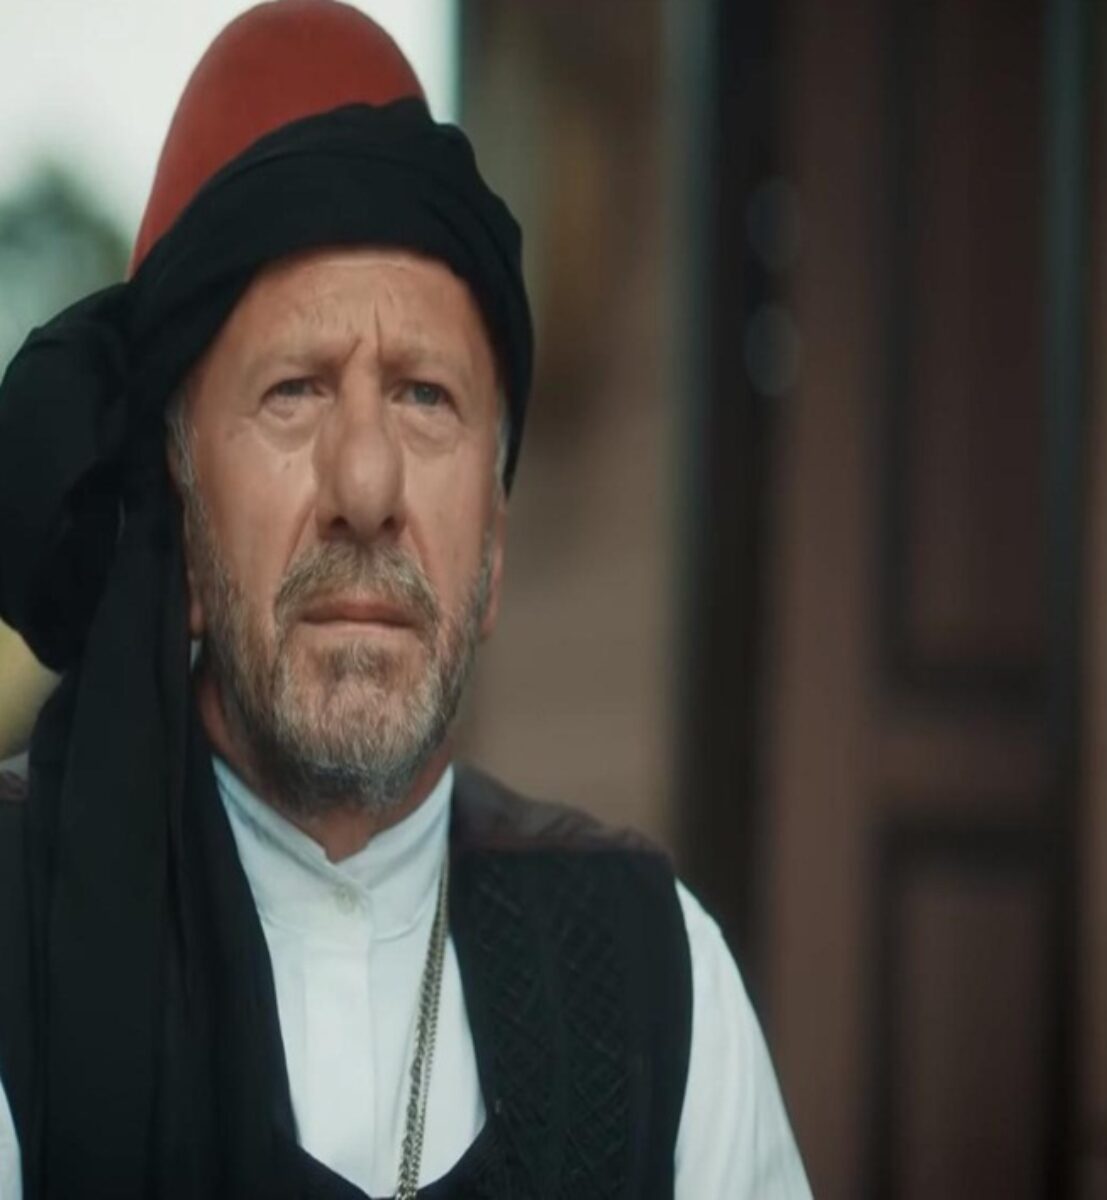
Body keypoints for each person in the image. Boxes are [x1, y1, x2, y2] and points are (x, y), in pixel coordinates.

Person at [0, 3, 811, 1197]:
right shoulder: (11, 931)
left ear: (494, 547)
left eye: (426, 396)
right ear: (177, 505)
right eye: (294, 390)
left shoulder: (662, 983)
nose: (368, 489)